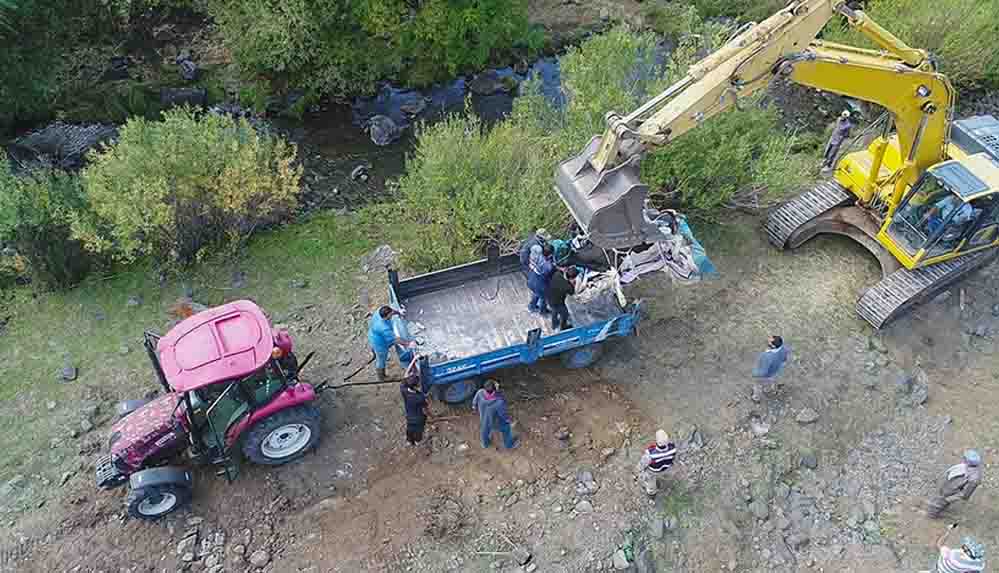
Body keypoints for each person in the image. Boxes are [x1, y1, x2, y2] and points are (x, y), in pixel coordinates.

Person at [927, 450, 983, 518]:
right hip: (948, 487)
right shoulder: (967, 466)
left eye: (965, 458)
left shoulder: (974, 478)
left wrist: (951, 498)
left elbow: (965, 493)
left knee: (940, 502)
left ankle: (932, 515)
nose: (963, 459)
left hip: (952, 492)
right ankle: (938, 508)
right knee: (940, 499)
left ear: (969, 462)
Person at [368, 305, 416, 381]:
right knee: (381, 359)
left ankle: (374, 353)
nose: (392, 314)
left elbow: (391, 311)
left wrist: (399, 312)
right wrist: (408, 343)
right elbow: (395, 340)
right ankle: (382, 377)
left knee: (377, 351)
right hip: (379, 343)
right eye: (391, 315)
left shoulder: (380, 311)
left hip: (373, 334)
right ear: (386, 317)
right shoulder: (383, 328)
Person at [471, 380, 517, 449]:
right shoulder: (498, 402)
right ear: (494, 390)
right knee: (506, 429)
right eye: (496, 385)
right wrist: (508, 420)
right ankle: (509, 445)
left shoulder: (480, 392)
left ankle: (485, 444)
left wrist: (475, 406)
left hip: (484, 419)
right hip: (495, 423)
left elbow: (474, 403)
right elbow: (503, 415)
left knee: (484, 430)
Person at [636, 430, 676, 497]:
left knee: (650, 483)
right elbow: (673, 458)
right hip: (665, 468)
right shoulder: (673, 448)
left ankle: (652, 493)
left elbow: (642, 464)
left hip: (653, 471)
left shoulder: (651, 454)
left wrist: (638, 471)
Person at [751, 335, 789, 402]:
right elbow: (784, 360)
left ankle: (756, 397)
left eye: (770, 341)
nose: (768, 340)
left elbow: (764, 372)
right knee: (770, 382)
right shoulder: (784, 348)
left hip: (766, 376)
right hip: (775, 372)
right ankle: (768, 390)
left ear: (773, 346)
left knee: (758, 385)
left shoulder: (767, 356)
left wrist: (755, 373)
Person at [546, 267, 579, 331]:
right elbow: (572, 292)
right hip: (558, 302)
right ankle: (563, 327)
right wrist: (572, 283)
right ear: (572, 278)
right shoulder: (567, 287)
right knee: (565, 314)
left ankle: (554, 324)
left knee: (554, 311)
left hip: (549, 296)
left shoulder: (557, 274)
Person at [400, 375, 429, 446]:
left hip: (409, 416)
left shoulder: (403, 390)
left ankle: (409, 440)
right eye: (418, 384)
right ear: (415, 387)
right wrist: (431, 416)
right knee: (418, 430)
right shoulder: (420, 397)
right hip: (419, 418)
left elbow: (404, 380)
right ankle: (418, 441)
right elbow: (425, 409)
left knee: (410, 428)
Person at [527, 244, 555, 315]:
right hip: (540, 284)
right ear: (550, 254)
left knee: (536, 293)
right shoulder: (548, 266)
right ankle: (543, 311)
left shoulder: (537, 255)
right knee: (543, 298)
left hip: (531, 279)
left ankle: (531, 307)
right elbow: (548, 274)